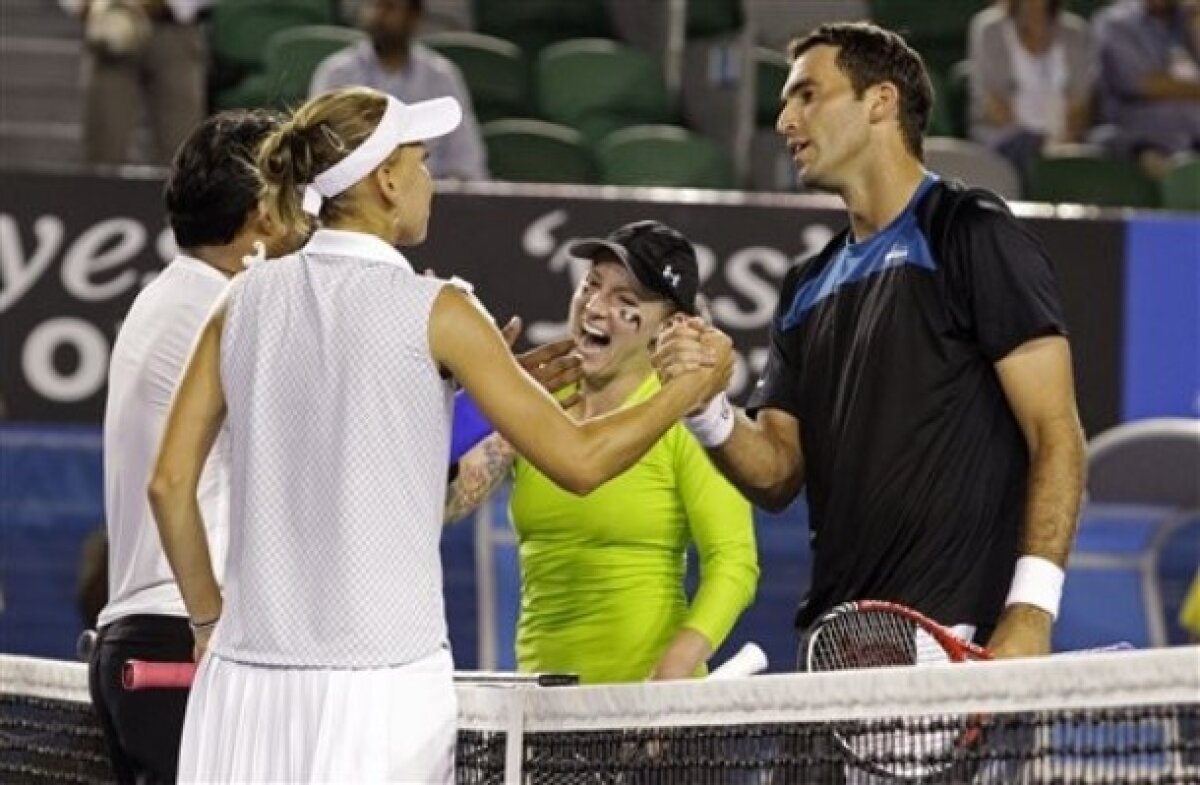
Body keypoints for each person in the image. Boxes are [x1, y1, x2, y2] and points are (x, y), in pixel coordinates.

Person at [148, 86, 730, 783]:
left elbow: (170, 483)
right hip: (380, 695)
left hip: (244, 688)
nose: (433, 180)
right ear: (386, 181)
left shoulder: (240, 298)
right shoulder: (442, 310)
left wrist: (208, 620)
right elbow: (580, 460)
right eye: (422, 161)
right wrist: (690, 389)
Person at [654, 22, 1086, 661]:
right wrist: (707, 409)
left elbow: (1057, 434)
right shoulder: (806, 285)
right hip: (836, 647)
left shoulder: (971, 233)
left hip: (954, 640)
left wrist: (1031, 609)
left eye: (806, 95)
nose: (784, 121)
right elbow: (777, 473)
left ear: (880, 101)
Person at [447, 220, 759, 684]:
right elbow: (448, 504)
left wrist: (671, 673)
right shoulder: (543, 400)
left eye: (624, 302)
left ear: (669, 326)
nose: (595, 307)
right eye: (591, 285)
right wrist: (458, 410)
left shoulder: (686, 417)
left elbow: (734, 563)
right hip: (540, 705)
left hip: (648, 712)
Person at [87, 108, 301, 785]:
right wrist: (481, 409)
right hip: (183, 647)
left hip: (146, 647)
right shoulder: (225, 314)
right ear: (262, 217)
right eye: (296, 198)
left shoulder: (171, 298)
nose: (310, 219)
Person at [309, 0, 488, 180]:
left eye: (390, 7)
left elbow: (467, 162)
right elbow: (318, 156)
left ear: (414, 17)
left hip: (431, 198)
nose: (378, 16)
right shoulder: (336, 74)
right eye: (374, 6)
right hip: (356, 199)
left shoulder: (441, 77)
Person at [58, 0, 210, 166]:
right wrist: (83, 6)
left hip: (173, 28)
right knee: (104, 148)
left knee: (181, 149)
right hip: (110, 25)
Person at [968, 0, 1094, 173]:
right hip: (1007, 136)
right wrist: (1040, 143)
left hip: (1064, 140)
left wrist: (1064, 141)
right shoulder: (990, 29)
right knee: (1023, 144)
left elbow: (1081, 105)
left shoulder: (1075, 32)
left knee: (1104, 143)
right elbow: (993, 106)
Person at [1093, 0, 1200, 177]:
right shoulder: (1117, 23)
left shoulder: (1187, 20)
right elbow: (1142, 84)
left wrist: (1196, 25)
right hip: (1143, 141)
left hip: (1193, 137)